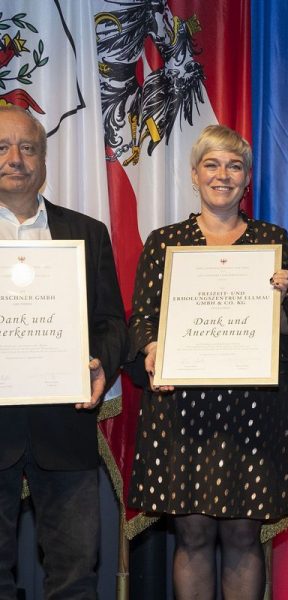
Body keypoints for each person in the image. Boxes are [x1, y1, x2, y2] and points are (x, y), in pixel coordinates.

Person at [127, 124, 288, 600]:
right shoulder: (165, 241)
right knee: (192, 536)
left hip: (253, 409)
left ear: (247, 179)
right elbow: (142, 320)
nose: (223, 175)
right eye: (212, 164)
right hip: (183, 411)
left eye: (234, 166)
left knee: (243, 536)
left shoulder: (272, 241)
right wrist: (152, 353)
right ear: (194, 174)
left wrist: (284, 301)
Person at [0, 105, 127, 598]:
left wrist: (99, 364)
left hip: (65, 424)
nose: (16, 159)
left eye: (27, 148)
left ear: (44, 159)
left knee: (75, 577)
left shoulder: (86, 232)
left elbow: (113, 322)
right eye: (4, 147)